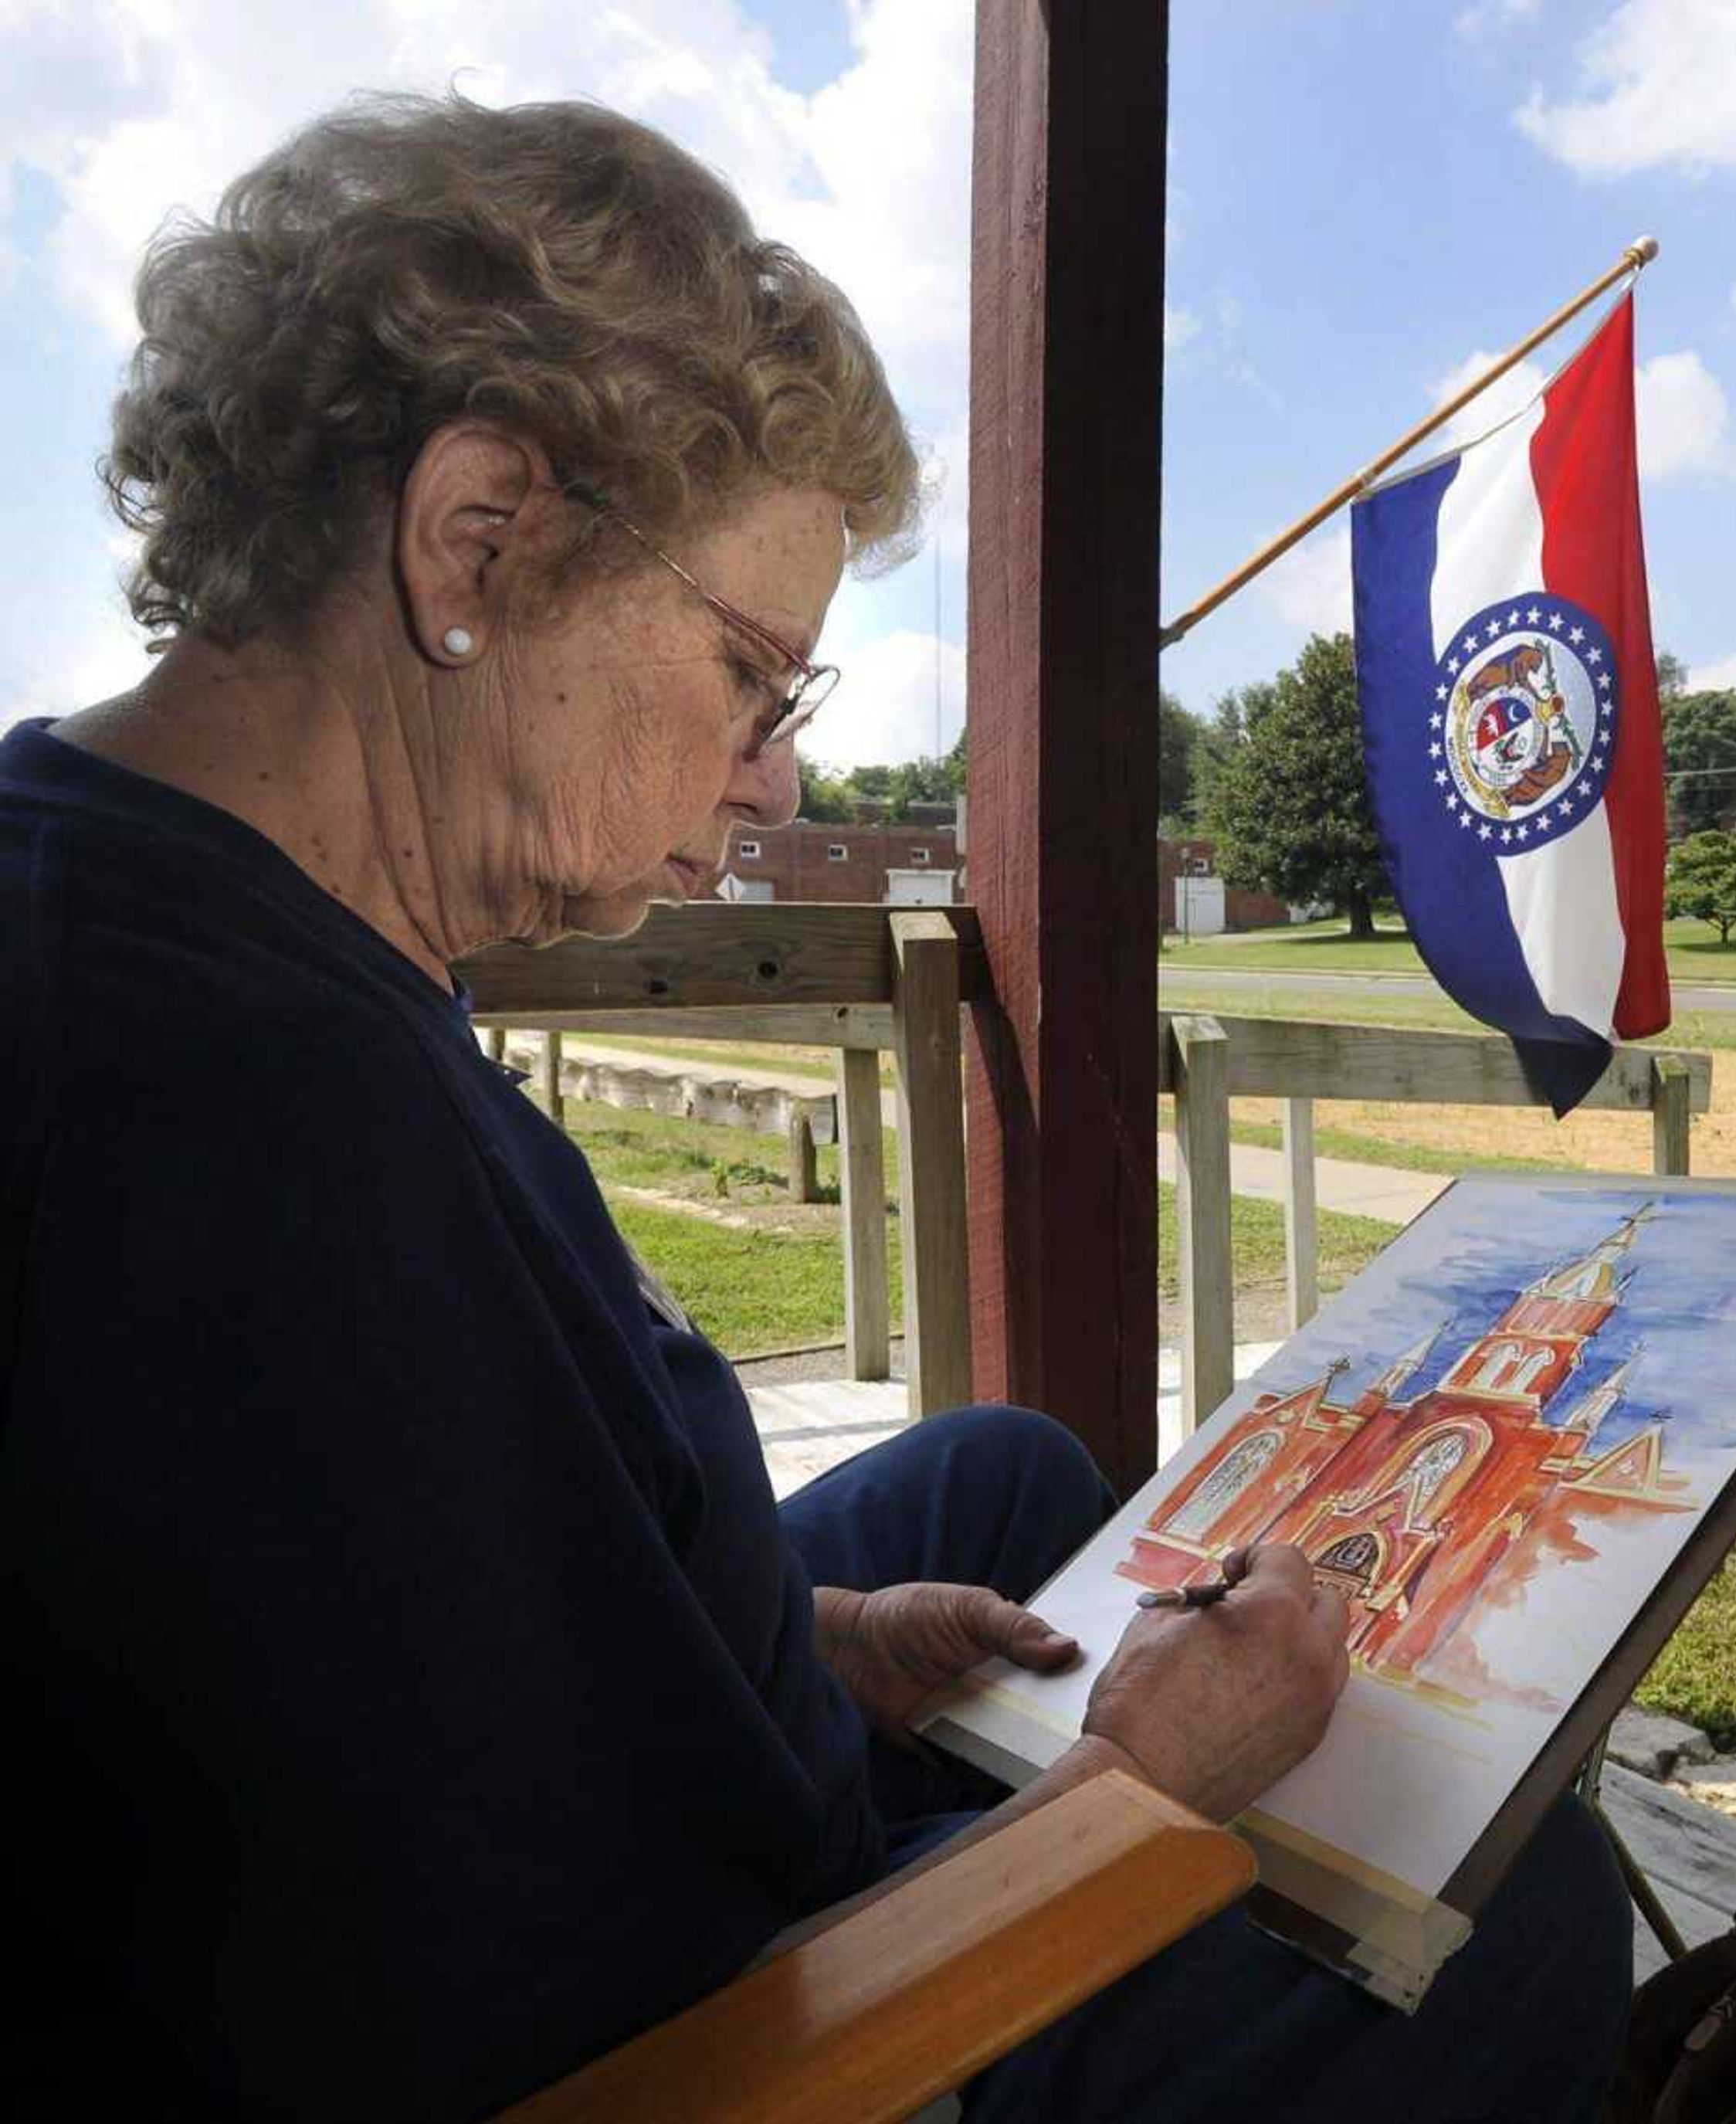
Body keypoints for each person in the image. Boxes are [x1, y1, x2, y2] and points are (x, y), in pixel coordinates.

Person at [0, 93, 1629, 2122]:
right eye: (754, 674)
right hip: (733, 2047)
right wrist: (1139, 1799)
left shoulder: (105, 870)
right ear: (476, 542)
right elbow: (659, 2057)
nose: (771, 779)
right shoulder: (270, 1155)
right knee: (1507, 1887)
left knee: (1023, 1488)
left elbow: (450, 1645)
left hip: (503, 1835)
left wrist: (817, 1640)